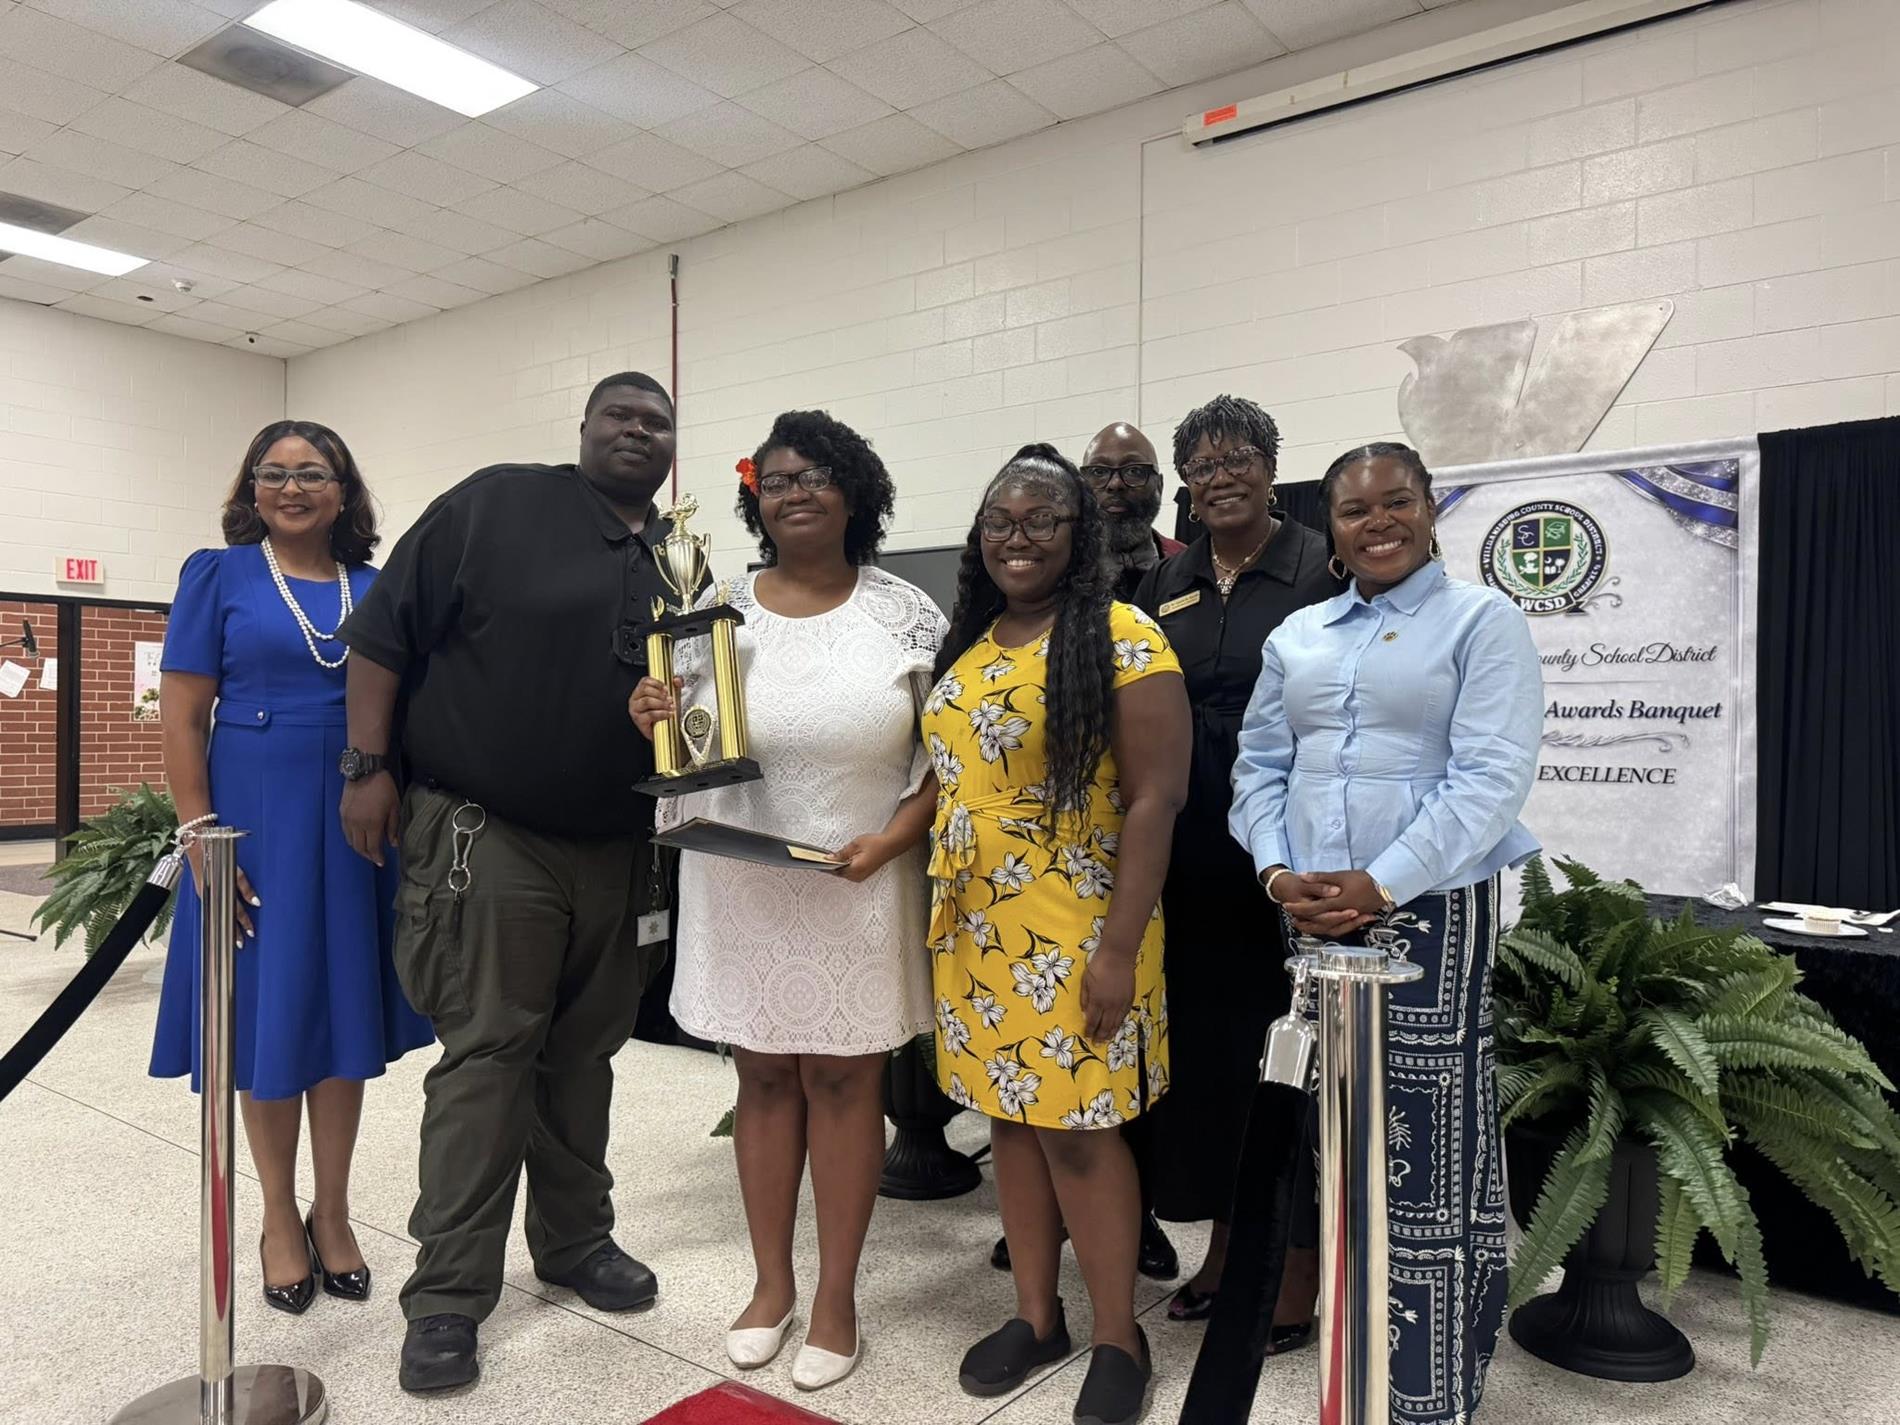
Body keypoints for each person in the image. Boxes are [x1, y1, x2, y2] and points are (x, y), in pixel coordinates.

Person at [340, 373, 694, 1395]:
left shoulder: (675, 551)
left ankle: (577, 1242)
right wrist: (368, 771)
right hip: (488, 833)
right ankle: (448, 1296)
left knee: (585, 1055)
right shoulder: (496, 505)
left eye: (657, 421)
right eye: (619, 416)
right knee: (490, 1058)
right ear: (583, 429)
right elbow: (381, 638)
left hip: (617, 848)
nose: (638, 431)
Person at [1227, 441, 1543, 1425]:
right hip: (1311, 912)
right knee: (1334, 1140)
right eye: (1355, 510)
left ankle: (1425, 1390)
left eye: (1394, 502)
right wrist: (1277, 871)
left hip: (1431, 912)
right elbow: (1258, 764)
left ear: (1428, 504)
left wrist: (1382, 882)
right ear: (1334, 523)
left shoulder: (1482, 622)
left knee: (1424, 1148)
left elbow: (1489, 778)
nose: (1377, 523)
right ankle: (1348, 1365)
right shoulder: (1303, 634)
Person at [628, 411, 942, 1392]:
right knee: (761, 1078)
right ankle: (770, 1285)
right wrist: (651, 715)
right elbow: (683, 741)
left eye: (814, 476)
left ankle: (837, 1296)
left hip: (858, 877)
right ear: (754, 499)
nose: (795, 491)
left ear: (855, 491)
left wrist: (893, 838)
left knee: (847, 1086)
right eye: (776, 480)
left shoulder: (906, 617)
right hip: (741, 877)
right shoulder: (711, 609)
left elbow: (948, 759)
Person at [925, 444, 1190, 1425]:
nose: (1017, 536)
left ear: (1077, 533)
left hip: (1078, 924)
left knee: (1080, 1135)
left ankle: (1119, 1335)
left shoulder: (1122, 634)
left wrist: (1118, 947)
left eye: (1041, 519)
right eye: (1000, 519)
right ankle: (1037, 1317)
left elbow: (1157, 799)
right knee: (1011, 1126)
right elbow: (945, 784)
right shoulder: (971, 641)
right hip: (974, 931)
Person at [151, 419, 432, 1316]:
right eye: (273, 473)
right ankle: (277, 1214)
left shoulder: (376, 587)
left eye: (312, 473)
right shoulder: (218, 574)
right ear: (251, 489)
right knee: (267, 1017)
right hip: (253, 817)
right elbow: (184, 716)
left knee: (342, 1010)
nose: (291, 486)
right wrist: (200, 832)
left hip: (354, 812)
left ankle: (334, 1208)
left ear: (344, 492)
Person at [1131, 395, 1339, 1331]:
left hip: (1286, 849)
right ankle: (1226, 1246)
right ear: (1185, 483)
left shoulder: (1321, 568)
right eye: (1202, 465)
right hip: (1184, 850)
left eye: (1237, 458)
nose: (1220, 477)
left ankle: (1292, 1264)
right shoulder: (1166, 581)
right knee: (1212, 1053)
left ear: (1270, 464)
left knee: (1284, 1053)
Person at [1082, 421, 1186, 601]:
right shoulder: (1057, 572)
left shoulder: (1190, 564)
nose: (1115, 484)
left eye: (1134, 471)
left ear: (1159, 486)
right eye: (1098, 472)